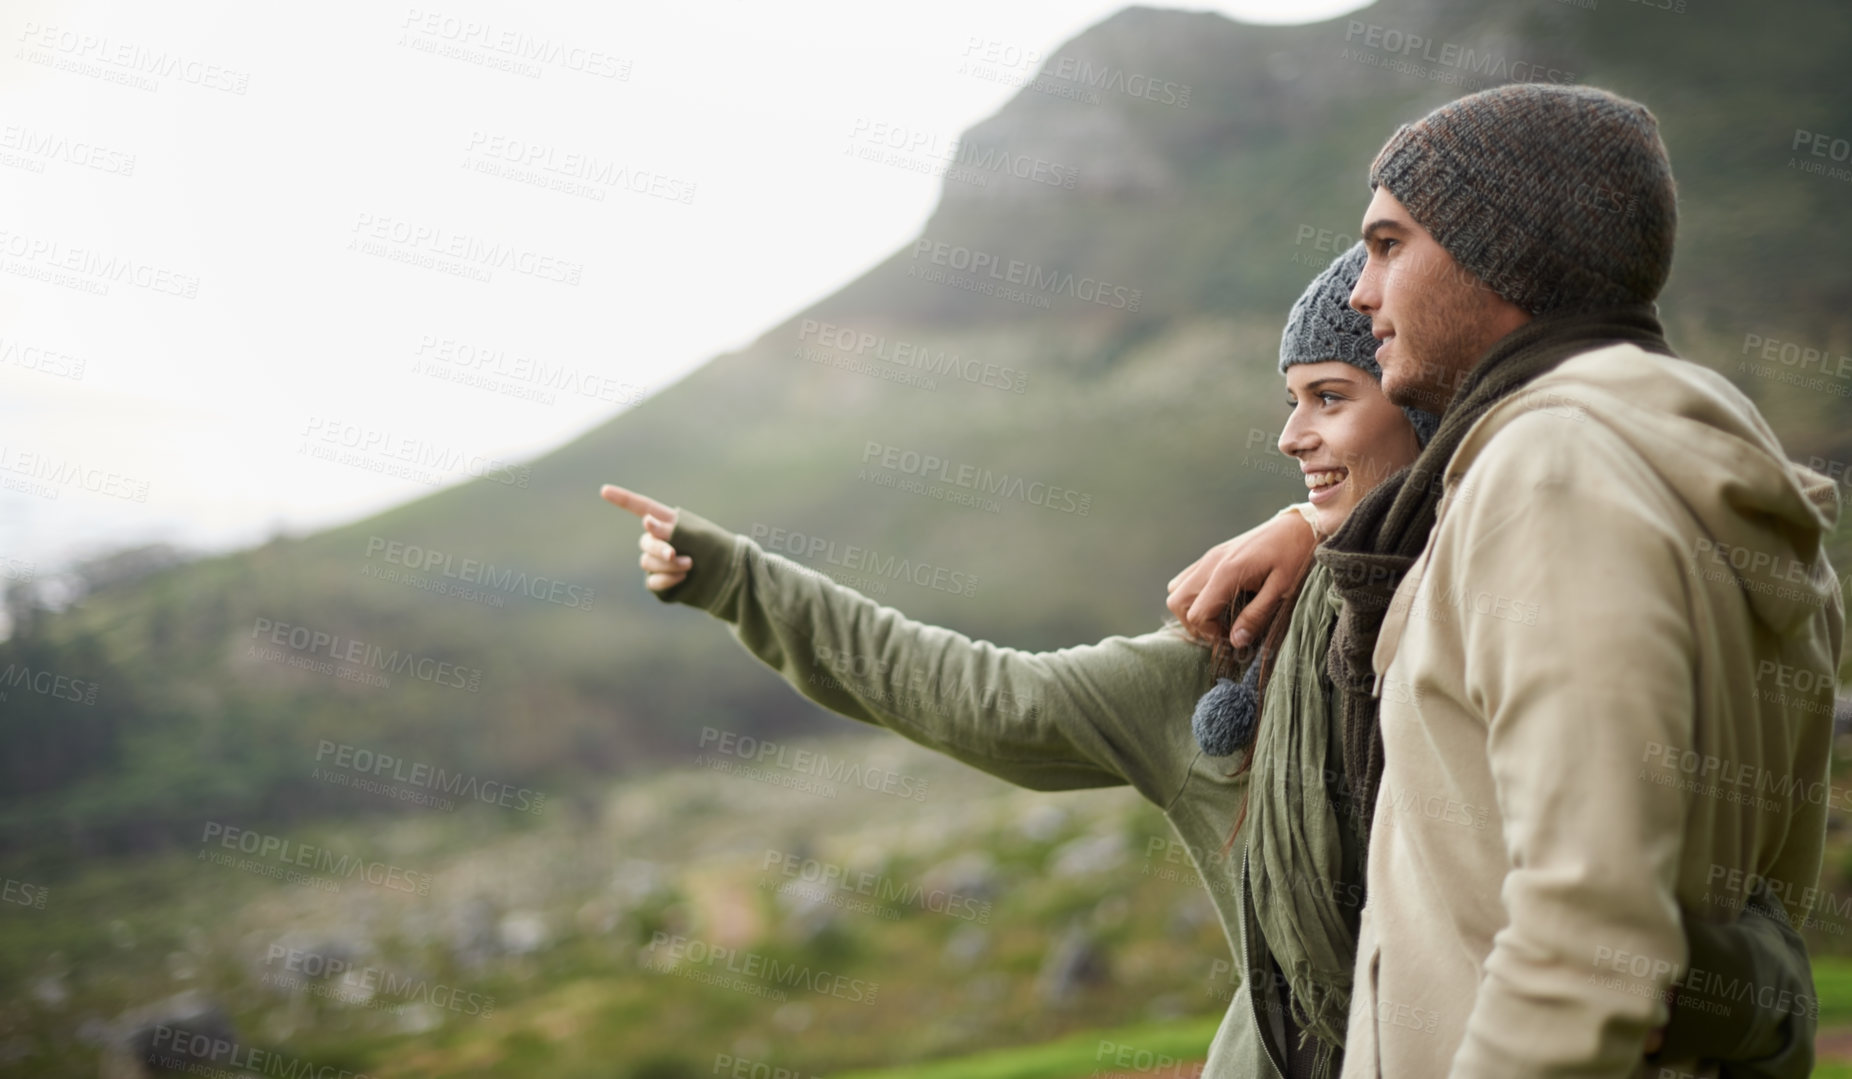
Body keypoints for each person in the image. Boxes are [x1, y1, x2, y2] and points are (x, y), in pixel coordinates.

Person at [605, 245, 1813, 1078]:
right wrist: (737, 578)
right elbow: (972, 692)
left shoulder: (1556, 594)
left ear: (1427, 408)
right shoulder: (1232, 654)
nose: (1289, 438)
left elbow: (1666, 905)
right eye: (1290, 400)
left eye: (1328, 397)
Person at [1171, 84, 1840, 1079]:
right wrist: (1311, 519)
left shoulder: (1550, 471)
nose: (1362, 290)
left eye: (1389, 245)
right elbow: (1740, 913)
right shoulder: (1707, 477)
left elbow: (1585, 936)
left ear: (1501, 254)